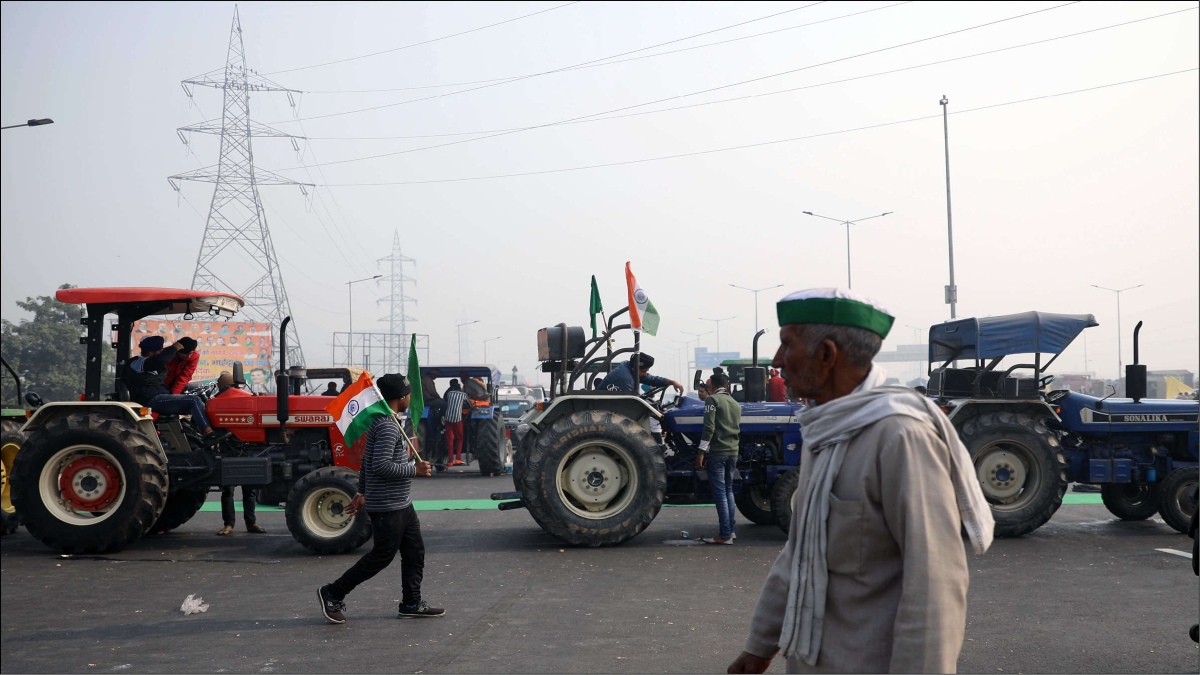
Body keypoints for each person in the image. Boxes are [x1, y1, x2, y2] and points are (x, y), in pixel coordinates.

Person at [728, 288, 993, 674]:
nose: (777, 361)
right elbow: (800, 553)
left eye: (787, 345)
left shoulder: (899, 437)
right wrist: (760, 645)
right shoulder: (825, 429)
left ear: (826, 355)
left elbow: (934, 585)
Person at [318, 374, 443, 623]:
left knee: (414, 552)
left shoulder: (386, 421)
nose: (410, 398)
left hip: (402, 504)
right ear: (402, 397)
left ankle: (411, 603)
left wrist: (361, 492)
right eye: (409, 395)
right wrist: (413, 469)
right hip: (388, 506)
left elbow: (366, 461)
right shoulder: (386, 426)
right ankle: (332, 592)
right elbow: (380, 466)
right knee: (381, 556)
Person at [124, 336, 225, 440]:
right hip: (152, 398)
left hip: (161, 392)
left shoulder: (151, 362)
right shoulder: (139, 363)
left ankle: (198, 431)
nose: (162, 352)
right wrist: (174, 348)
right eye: (159, 351)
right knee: (194, 400)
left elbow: (183, 377)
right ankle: (208, 433)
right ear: (150, 353)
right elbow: (160, 360)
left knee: (204, 392)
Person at [696, 372, 740, 545]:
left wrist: (701, 452)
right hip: (733, 452)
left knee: (720, 493)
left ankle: (725, 535)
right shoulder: (735, 403)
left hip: (718, 452)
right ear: (727, 385)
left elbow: (709, 428)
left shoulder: (712, 400)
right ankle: (731, 531)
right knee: (729, 491)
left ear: (712, 386)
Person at [600, 353, 684, 395]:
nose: (645, 374)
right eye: (644, 371)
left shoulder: (630, 368)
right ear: (634, 368)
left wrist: (672, 382)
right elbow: (632, 402)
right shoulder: (625, 378)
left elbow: (652, 379)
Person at [442, 379, 469, 467]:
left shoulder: (449, 393)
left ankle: (450, 461)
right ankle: (458, 459)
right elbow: (469, 405)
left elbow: (444, 400)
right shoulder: (463, 394)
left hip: (448, 418)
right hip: (458, 419)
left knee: (450, 439)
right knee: (460, 438)